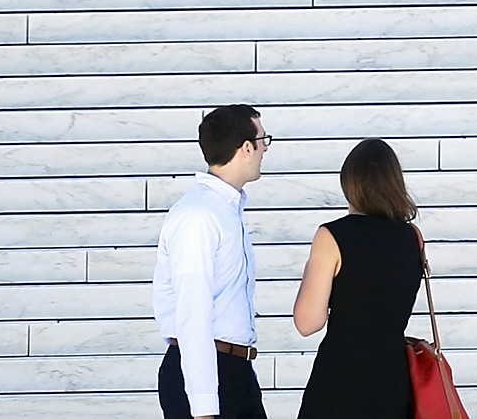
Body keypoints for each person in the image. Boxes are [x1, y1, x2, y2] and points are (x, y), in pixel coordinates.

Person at [290, 137, 425, 419]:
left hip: (340, 381)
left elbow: (307, 322)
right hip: (393, 381)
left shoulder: (332, 236)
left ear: (349, 182)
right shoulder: (413, 238)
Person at [154, 103, 268, 418]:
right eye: (263, 140)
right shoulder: (200, 215)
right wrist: (203, 405)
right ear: (246, 148)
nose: (265, 150)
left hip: (236, 372)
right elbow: (192, 313)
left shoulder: (226, 209)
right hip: (205, 374)